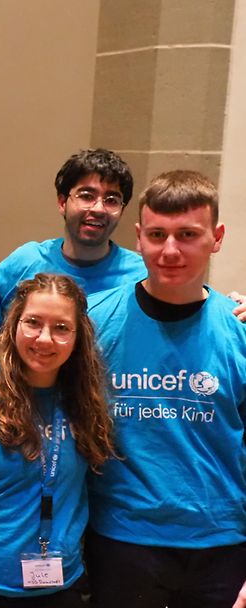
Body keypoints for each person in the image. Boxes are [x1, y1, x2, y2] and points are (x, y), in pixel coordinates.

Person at [85, 170, 246, 608]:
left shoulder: (238, 333)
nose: (170, 250)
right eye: (157, 234)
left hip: (222, 545)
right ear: (138, 237)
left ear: (217, 237)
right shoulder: (95, 323)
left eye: (187, 235)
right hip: (122, 540)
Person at [0, 273, 116, 606]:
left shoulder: (87, 400)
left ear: (78, 337)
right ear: (13, 325)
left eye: (61, 328)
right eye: (33, 323)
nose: (44, 339)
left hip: (60, 585)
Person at [0, 148, 144, 312]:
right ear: (62, 203)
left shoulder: (140, 276)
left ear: (122, 209)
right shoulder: (27, 262)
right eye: (86, 196)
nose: (99, 209)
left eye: (111, 200)